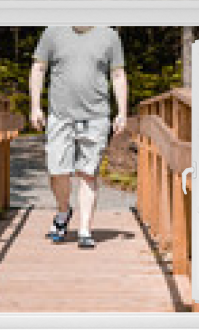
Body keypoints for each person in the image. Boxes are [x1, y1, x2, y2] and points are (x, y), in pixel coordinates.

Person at [29, 26, 128, 248]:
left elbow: (118, 74)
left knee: (88, 173)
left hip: (96, 115)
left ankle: (85, 229)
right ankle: (63, 211)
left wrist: (122, 112)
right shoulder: (53, 32)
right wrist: (35, 107)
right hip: (60, 115)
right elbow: (38, 68)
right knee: (57, 171)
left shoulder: (109, 35)